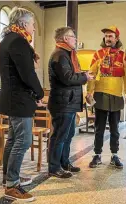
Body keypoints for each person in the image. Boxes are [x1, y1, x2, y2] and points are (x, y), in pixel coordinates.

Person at [0, 7, 45, 201]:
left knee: (13, 140)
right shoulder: (18, 42)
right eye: (32, 24)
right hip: (19, 99)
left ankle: (8, 177)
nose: (33, 28)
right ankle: (12, 185)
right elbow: (27, 73)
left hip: (12, 98)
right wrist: (40, 92)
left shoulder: (7, 40)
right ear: (23, 24)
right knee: (23, 140)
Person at [48, 27, 94, 178]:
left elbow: (71, 75)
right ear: (66, 38)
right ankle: (54, 167)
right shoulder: (60, 55)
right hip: (62, 103)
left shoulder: (68, 54)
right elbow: (68, 78)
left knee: (68, 135)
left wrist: (82, 75)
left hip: (68, 101)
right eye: (73, 37)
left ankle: (64, 162)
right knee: (60, 136)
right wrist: (84, 77)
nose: (75, 39)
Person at [86, 26, 126, 169]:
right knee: (99, 128)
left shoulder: (123, 56)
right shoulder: (98, 54)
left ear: (116, 38)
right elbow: (91, 74)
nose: (108, 38)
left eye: (110, 36)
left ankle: (114, 155)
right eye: (106, 36)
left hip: (117, 95)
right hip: (100, 94)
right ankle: (97, 154)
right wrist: (89, 92)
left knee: (115, 128)